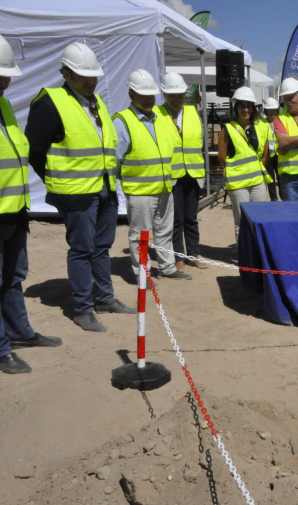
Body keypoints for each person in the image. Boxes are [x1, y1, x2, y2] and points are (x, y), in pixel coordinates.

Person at [25, 42, 136, 333]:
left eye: (94, 75)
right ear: (66, 73)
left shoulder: (95, 102)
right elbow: (34, 149)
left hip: (104, 187)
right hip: (76, 193)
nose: (91, 81)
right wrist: (56, 183)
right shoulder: (50, 102)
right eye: (83, 76)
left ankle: (105, 298)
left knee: (102, 247)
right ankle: (83, 309)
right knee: (82, 249)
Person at [0, 34, 61, 374]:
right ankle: (1, 348)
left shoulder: (3, 105)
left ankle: (19, 333)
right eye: (0, 75)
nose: (5, 81)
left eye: (6, 75)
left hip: (13, 209)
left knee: (13, 276)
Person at [114, 69, 190, 282]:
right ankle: (142, 275)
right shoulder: (122, 122)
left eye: (151, 95)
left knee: (164, 231)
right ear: (131, 94)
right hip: (141, 192)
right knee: (141, 236)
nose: (148, 100)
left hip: (165, 188)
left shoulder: (158, 119)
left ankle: (167, 267)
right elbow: (114, 161)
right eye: (142, 95)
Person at [155, 72, 207, 271]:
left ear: (185, 94)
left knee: (191, 218)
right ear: (164, 94)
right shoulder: (158, 115)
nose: (176, 99)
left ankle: (192, 254)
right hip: (172, 174)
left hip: (193, 173)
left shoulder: (193, 113)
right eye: (171, 95)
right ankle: (178, 257)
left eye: (179, 95)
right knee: (175, 219)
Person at [218, 86, 269, 242]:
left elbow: (265, 155)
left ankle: (257, 252)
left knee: (259, 219)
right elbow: (222, 156)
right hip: (238, 184)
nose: (245, 109)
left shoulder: (262, 127)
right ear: (236, 107)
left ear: (253, 108)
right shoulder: (227, 129)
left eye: (248, 106)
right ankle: (244, 255)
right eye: (242, 105)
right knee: (241, 222)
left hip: (257, 183)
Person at [262, 97, 280, 201]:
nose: (271, 112)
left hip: (279, 155)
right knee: (271, 180)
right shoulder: (261, 123)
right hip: (268, 155)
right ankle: (274, 200)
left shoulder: (281, 121)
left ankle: (283, 198)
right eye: (269, 109)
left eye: (273, 109)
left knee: (281, 179)